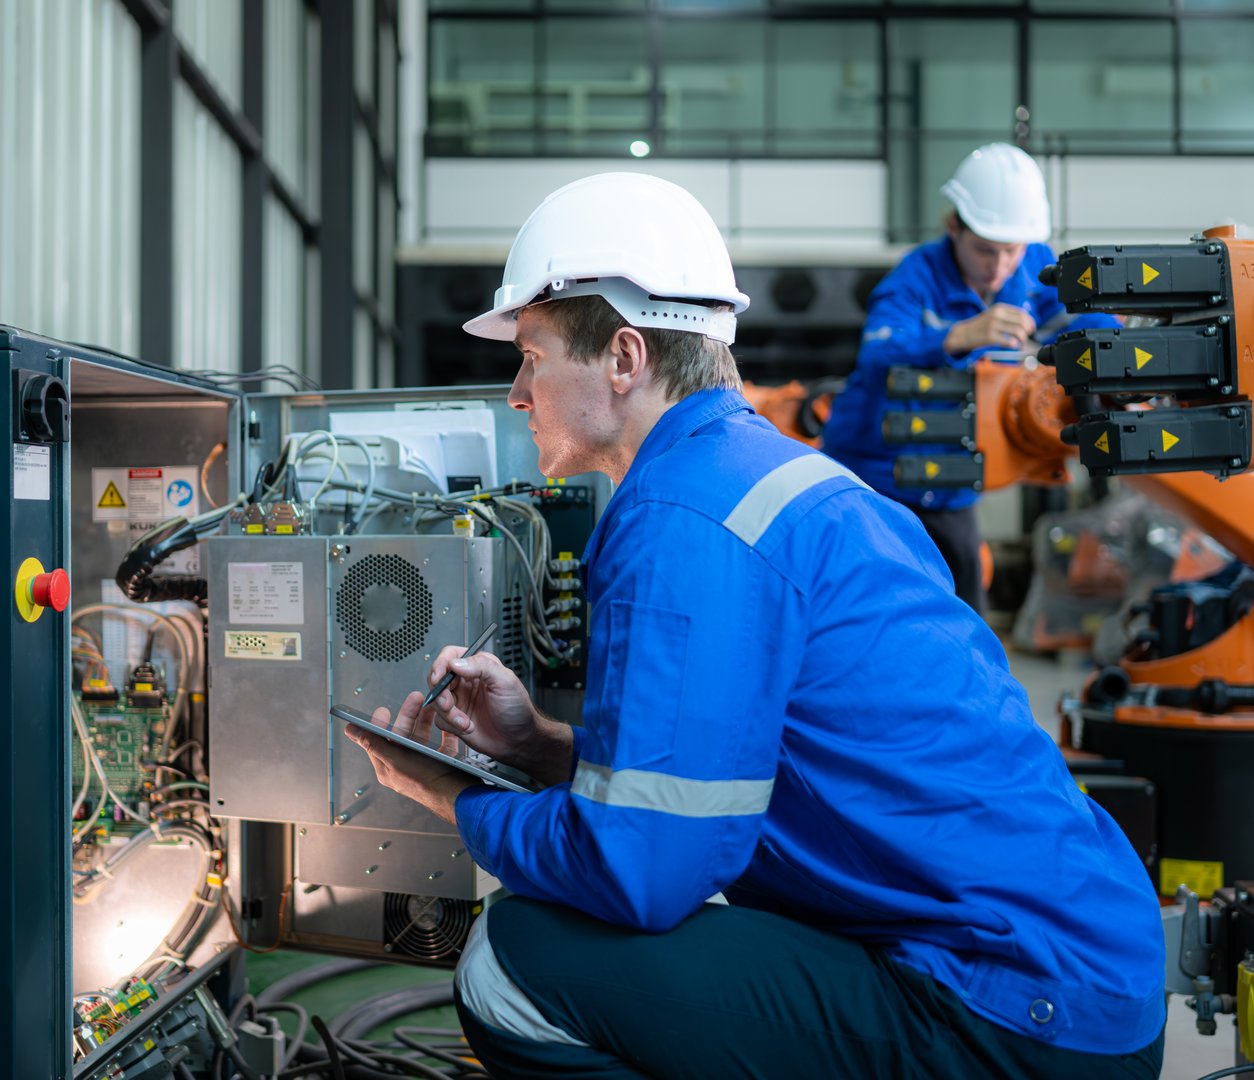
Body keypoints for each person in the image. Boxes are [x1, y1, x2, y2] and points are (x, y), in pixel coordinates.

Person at [344, 172, 1164, 1079]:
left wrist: (457, 800)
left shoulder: (679, 520)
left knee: (510, 961)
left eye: (531, 356)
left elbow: (648, 869)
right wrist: (539, 747)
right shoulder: (792, 481)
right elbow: (729, 780)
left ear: (624, 359)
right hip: (1088, 970)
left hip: (1010, 1009)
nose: (515, 393)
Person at [820, 143, 1120, 612]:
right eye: (985, 250)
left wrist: (1122, 350)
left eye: (1010, 251)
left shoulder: (1029, 265)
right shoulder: (915, 277)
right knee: (864, 608)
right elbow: (878, 353)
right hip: (871, 474)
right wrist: (960, 335)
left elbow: (1082, 318)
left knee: (964, 614)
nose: (999, 267)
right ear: (953, 226)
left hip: (949, 479)